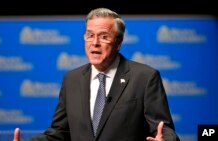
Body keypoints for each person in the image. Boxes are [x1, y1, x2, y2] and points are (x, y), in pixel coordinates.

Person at [13, 7, 180, 141]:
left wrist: (165, 139)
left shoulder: (144, 77)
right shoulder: (72, 79)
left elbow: (163, 128)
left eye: (104, 37)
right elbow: (60, 132)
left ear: (119, 42)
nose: (95, 43)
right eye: (90, 35)